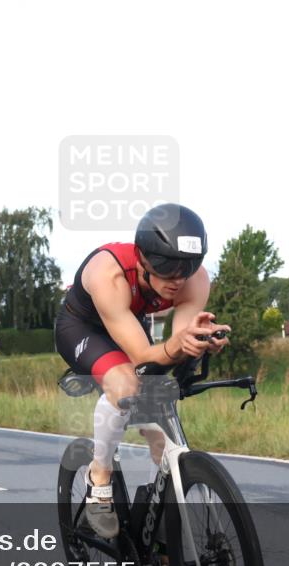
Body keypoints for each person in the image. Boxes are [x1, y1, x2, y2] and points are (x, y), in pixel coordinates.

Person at [54, 203, 229, 542]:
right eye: (166, 267)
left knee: (160, 416)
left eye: (187, 267)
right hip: (83, 328)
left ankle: (158, 522)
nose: (177, 279)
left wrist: (197, 342)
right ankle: (99, 479)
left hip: (129, 324)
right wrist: (175, 348)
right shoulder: (109, 274)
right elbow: (141, 356)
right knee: (126, 384)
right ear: (142, 258)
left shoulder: (194, 281)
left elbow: (176, 344)